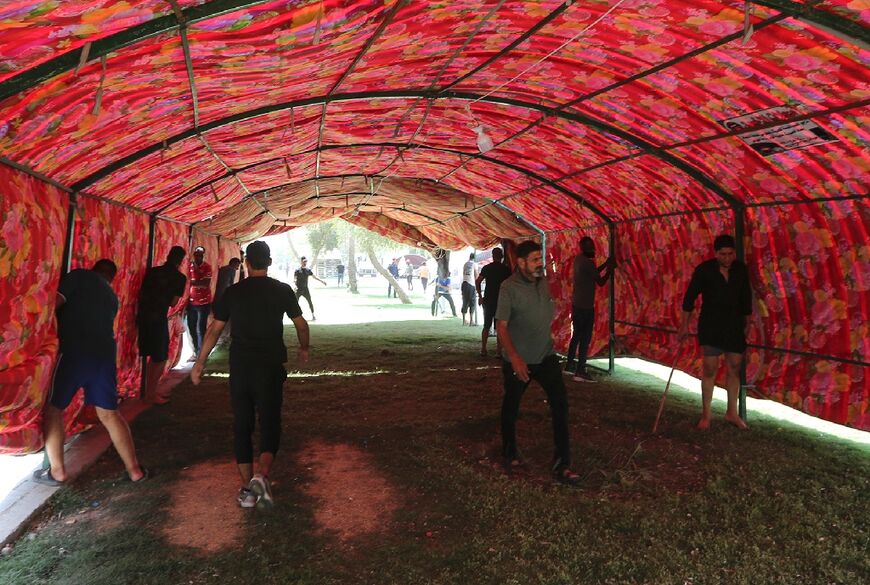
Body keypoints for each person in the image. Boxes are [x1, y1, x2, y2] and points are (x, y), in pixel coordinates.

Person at [191, 241, 310, 509]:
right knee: (270, 422)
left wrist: (200, 362)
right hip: (270, 366)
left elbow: (213, 330)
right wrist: (303, 349)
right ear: (268, 262)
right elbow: (301, 325)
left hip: (241, 367)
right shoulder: (282, 290)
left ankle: (247, 490)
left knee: (242, 426)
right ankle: (261, 474)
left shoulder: (233, 293)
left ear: (246, 263)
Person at [33, 260, 148, 486]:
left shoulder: (78, 276)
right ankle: (135, 470)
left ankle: (57, 471)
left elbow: (52, 305)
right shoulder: (112, 298)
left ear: (94, 269)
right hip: (104, 354)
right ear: (111, 279)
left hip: (75, 351)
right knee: (109, 413)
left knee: (54, 410)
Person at [496, 241, 579, 485]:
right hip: (519, 360)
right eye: (534, 260)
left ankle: (562, 463)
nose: (539, 264)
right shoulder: (508, 288)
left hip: (545, 356)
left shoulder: (543, 283)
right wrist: (515, 358)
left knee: (560, 405)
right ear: (520, 263)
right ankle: (509, 451)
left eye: (540, 259)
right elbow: (501, 327)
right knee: (511, 407)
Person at [678, 234, 752, 431]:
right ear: (715, 253)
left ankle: (732, 413)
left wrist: (748, 323)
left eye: (730, 254)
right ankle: (706, 414)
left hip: (734, 324)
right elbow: (689, 299)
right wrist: (684, 325)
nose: (727, 258)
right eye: (723, 254)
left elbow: (746, 298)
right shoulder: (704, 270)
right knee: (710, 367)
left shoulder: (740, 270)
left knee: (735, 366)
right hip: (711, 324)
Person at [137, 246, 187, 404]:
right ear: (181, 260)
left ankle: (146, 392)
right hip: (157, 317)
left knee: (150, 355)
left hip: (142, 315)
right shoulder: (179, 278)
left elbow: (143, 291)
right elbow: (173, 303)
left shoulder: (153, 271)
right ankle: (150, 394)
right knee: (160, 357)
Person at [565, 237, 615, 382]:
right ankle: (580, 370)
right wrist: (610, 269)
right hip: (585, 307)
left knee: (576, 337)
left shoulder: (579, 259)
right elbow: (600, 281)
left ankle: (569, 365)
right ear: (586, 248)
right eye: (591, 247)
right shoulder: (587, 262)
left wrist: (606, 264)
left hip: (577, 304)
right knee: (585, 339)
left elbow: (593, 273)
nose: (593, 250)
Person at [476, 247, 511, 357]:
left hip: (488, 300)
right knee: (499, 326)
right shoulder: (506, 269)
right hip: (501, 301)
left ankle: (483, 349)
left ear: (492, 256)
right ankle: (498, 351)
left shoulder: (487, 268)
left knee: (486, 325)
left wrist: (480, 296)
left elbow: (478, 282)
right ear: (502, 256)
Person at [186, 245, 212, 360]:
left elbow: (205, 284)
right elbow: (195, 282)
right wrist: (196, 282)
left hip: (204, 303)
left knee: (201, 328)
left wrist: (192, 283)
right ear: (194, 255)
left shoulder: (207, 267)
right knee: (191, 327)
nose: (198, 257)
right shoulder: (190, 266)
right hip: (192, 302)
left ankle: (202, 354)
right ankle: (196, 351)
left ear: (203, 256)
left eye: (200, 255)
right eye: (196, 255)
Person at [214, 257, 242, 344]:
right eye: (237, 265)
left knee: (219, 318)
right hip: (223, 297)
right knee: (228, 319)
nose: (237, 268)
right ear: (233, 263)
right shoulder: (231, 270)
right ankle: (225, 337)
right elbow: (229, 285)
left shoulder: (222, 269)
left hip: (216, 297)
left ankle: (221, 338)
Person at [461, 252, 479, 326]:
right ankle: (471, 320)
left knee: (465, 301)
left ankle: (464, 320)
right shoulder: (474, 264)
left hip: (464, 283)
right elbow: (476, 275)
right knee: (472, 302)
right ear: (475, 258)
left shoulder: (465, 264)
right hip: (471, 284)